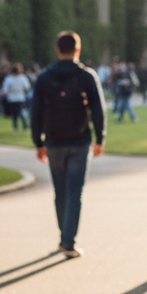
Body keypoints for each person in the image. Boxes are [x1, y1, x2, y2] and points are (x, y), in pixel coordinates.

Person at [30, 32, 107, 258]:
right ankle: (68, 240)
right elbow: (98, 109)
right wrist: (100, 138)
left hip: (54, 141)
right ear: (77, 50)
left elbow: (35, 111)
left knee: (60, 191)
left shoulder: (45, 77)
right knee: (75, 192)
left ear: (57, 50)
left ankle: (63, 235)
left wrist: (38, 142)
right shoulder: (86, 76)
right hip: (79, 140)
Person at [1, 63, 32, 131]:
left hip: (14, 98)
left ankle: (16, 127)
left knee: (15, 113)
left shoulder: (9, 79)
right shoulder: (22, 78)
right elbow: (27, 87)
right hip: (19, 98)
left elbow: (4, 90)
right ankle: (23, 126)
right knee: (19, 112)